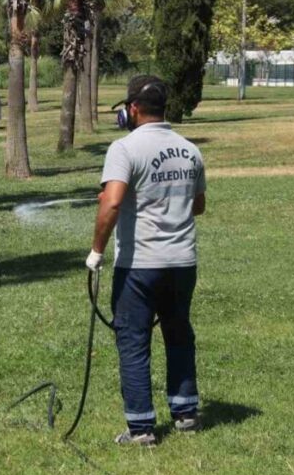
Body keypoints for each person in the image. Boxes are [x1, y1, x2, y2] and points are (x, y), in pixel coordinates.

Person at [85, 75, 207, 447]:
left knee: (133, 340)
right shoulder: (190, 150)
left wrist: (96, 252)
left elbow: (113, 201)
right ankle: (185, 412)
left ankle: (141, 429)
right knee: (178, 333)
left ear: (133, 109)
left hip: (140, 264)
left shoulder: (125, 149)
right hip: (183, 262)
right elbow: (198, 205)